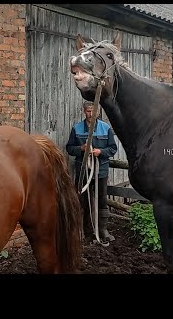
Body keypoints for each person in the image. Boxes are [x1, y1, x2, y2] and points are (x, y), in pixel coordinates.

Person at [66, 101, 117, 243]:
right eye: (88, 111)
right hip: (84, 171)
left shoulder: (105, 128)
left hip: (101, 170)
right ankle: (83, 230)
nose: (91, 114)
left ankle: (102, 229)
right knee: (82, 200)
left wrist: (100, 151)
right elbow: (69, 148)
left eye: (94, 111)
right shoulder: (77, 129)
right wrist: (81, 149)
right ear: (84, 111)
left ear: (98, 112)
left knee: (101, 199)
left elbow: (113, 149)